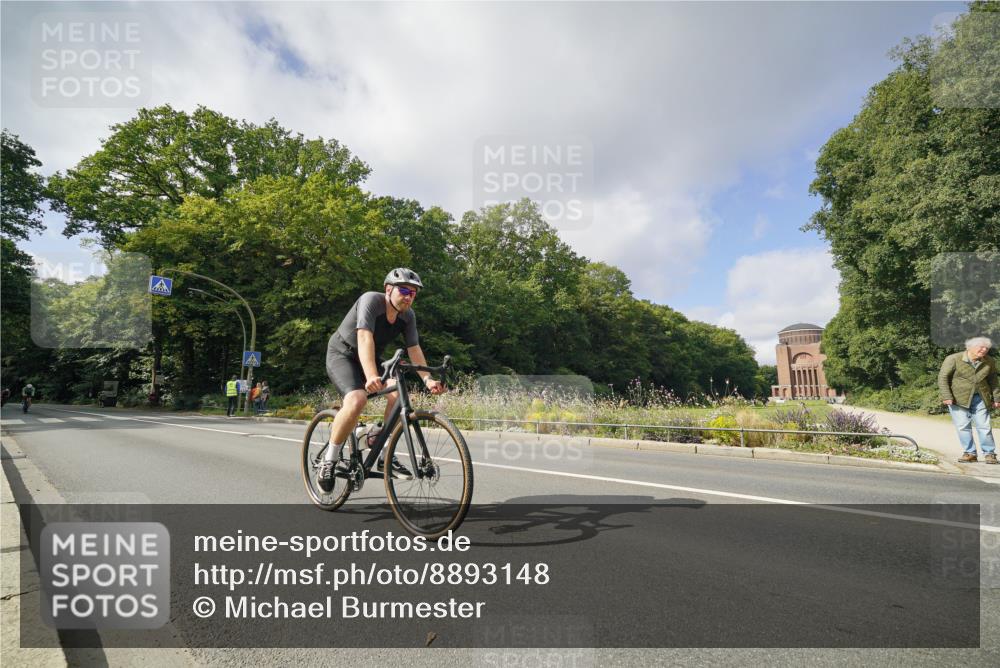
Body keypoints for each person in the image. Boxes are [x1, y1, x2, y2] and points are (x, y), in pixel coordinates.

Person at [318, 268, 445, 491]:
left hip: (371, 358)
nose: (408, 296)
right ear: (388, 289)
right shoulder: (371, 301)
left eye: (413, 293)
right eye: (404, 290)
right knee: (357, 400)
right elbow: (364, 338)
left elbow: (414, 349)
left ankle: (385, 455)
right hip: (343, 354)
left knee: (399, 393)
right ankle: (329, 460)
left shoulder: (408, 316)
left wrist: (428, 380)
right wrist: (370, 376)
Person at [939, 336, 1000, 464]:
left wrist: (996, 397)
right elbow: (943, 378)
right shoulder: (953, 359)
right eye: (981, 347)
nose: (984, 350)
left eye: (986, 348)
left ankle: (989, 454)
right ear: (969, 347)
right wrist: (947, 396)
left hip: (981, 397)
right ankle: (970, 453)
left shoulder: (989, 361)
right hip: (957, 398)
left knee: (984, 426)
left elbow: (993, 380)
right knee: (963, 427)